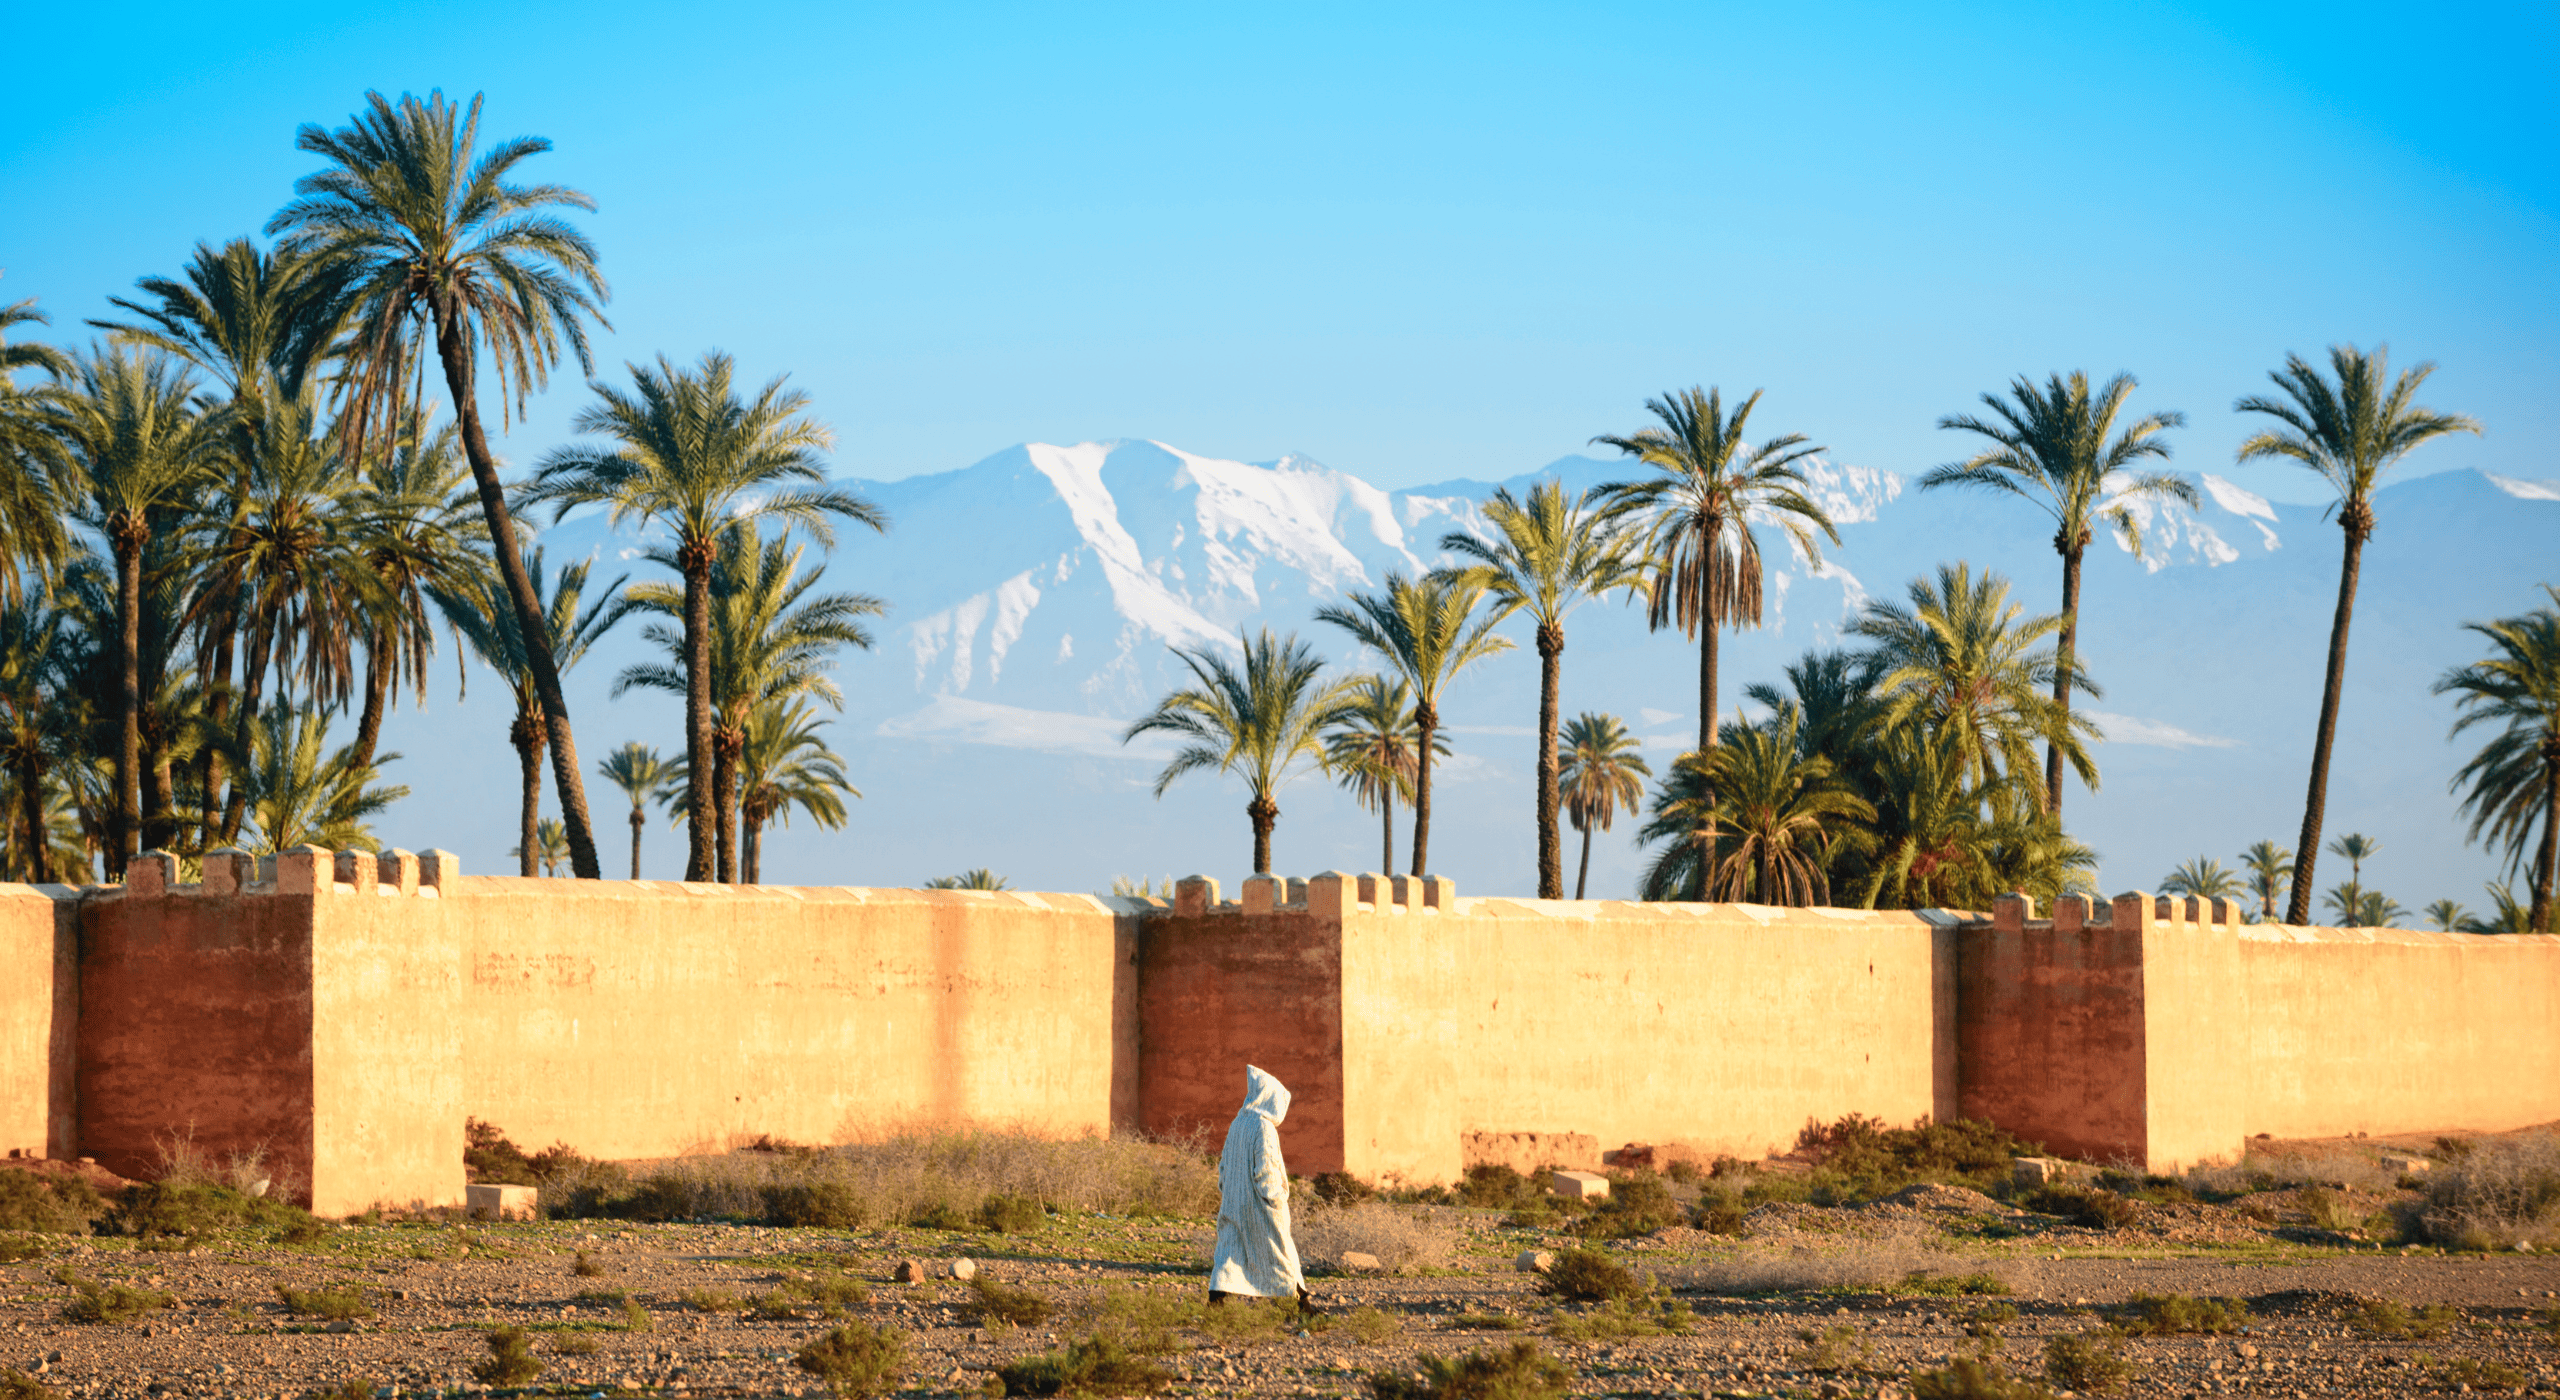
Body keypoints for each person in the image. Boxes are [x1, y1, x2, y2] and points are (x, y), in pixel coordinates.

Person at [1207, 1064, 1309, 1309]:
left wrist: (1229, 1192)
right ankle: (1299, 1306)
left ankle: (1216, 1305)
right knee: (1279, 1251)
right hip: (1259, 1205)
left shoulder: (1237, 1124)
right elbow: (1266, 1170)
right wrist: (1276, 1200)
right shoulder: (1263, 1127)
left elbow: (1224, 1167)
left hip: (1233, 1202)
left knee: (1229, 1252)